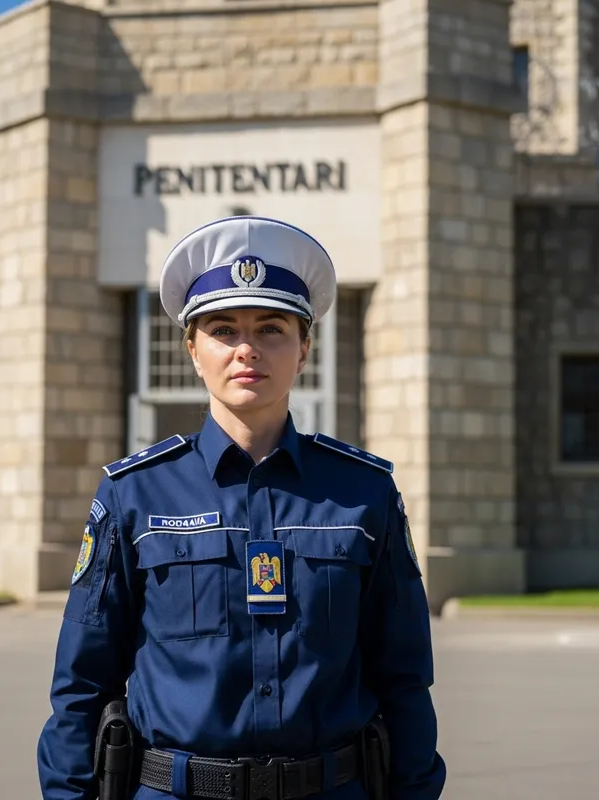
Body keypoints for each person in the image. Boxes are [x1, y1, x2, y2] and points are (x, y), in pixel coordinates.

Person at [37, 216, 446, 800]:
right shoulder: (135, 494)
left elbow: (404, 678)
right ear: (193, 351)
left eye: (272, 329)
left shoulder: (364, 493)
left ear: (304, 350)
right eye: (223, 330)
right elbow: (82, 684)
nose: (247, 349)